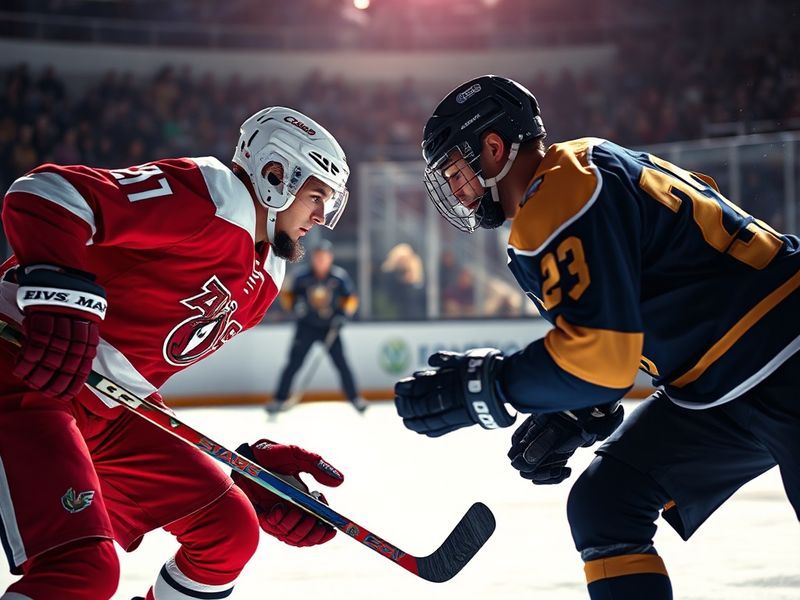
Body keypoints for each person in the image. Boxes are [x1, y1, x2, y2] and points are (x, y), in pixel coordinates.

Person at [394, 75, 800, 600]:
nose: (456, 191)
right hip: (725, 378)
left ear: (493, 150)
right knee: (607, 502)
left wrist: (487, 386)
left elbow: (601, 352)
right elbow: (616, 338)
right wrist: (581, 409)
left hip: (786, 354)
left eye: (456, 172)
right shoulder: (573, 178)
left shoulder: (560, 192)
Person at [0, 106, 351, 600]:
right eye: (316, 197)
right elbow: (44, 195)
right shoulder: (212, 196)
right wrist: (60, 301)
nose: (320, 218)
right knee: (82, 570)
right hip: (26, 367)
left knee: (228, 529)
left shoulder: (268, 278)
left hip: (105, 407)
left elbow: (131, 372)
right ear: (275, 175)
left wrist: (243, 469)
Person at [269, 238, 366, 413]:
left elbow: (351, 299)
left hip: (330, 328)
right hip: (306, 327)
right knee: (293, 364)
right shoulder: (301, 276)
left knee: (342, 364)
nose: (321, 260)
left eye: (324, 256)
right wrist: (294, 306)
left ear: (330, 257)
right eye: (318, 256)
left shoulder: (339, 277)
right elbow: (287, 295)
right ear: (313, 258)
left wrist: (343, 315)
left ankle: (355, 398)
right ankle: (279, 399)